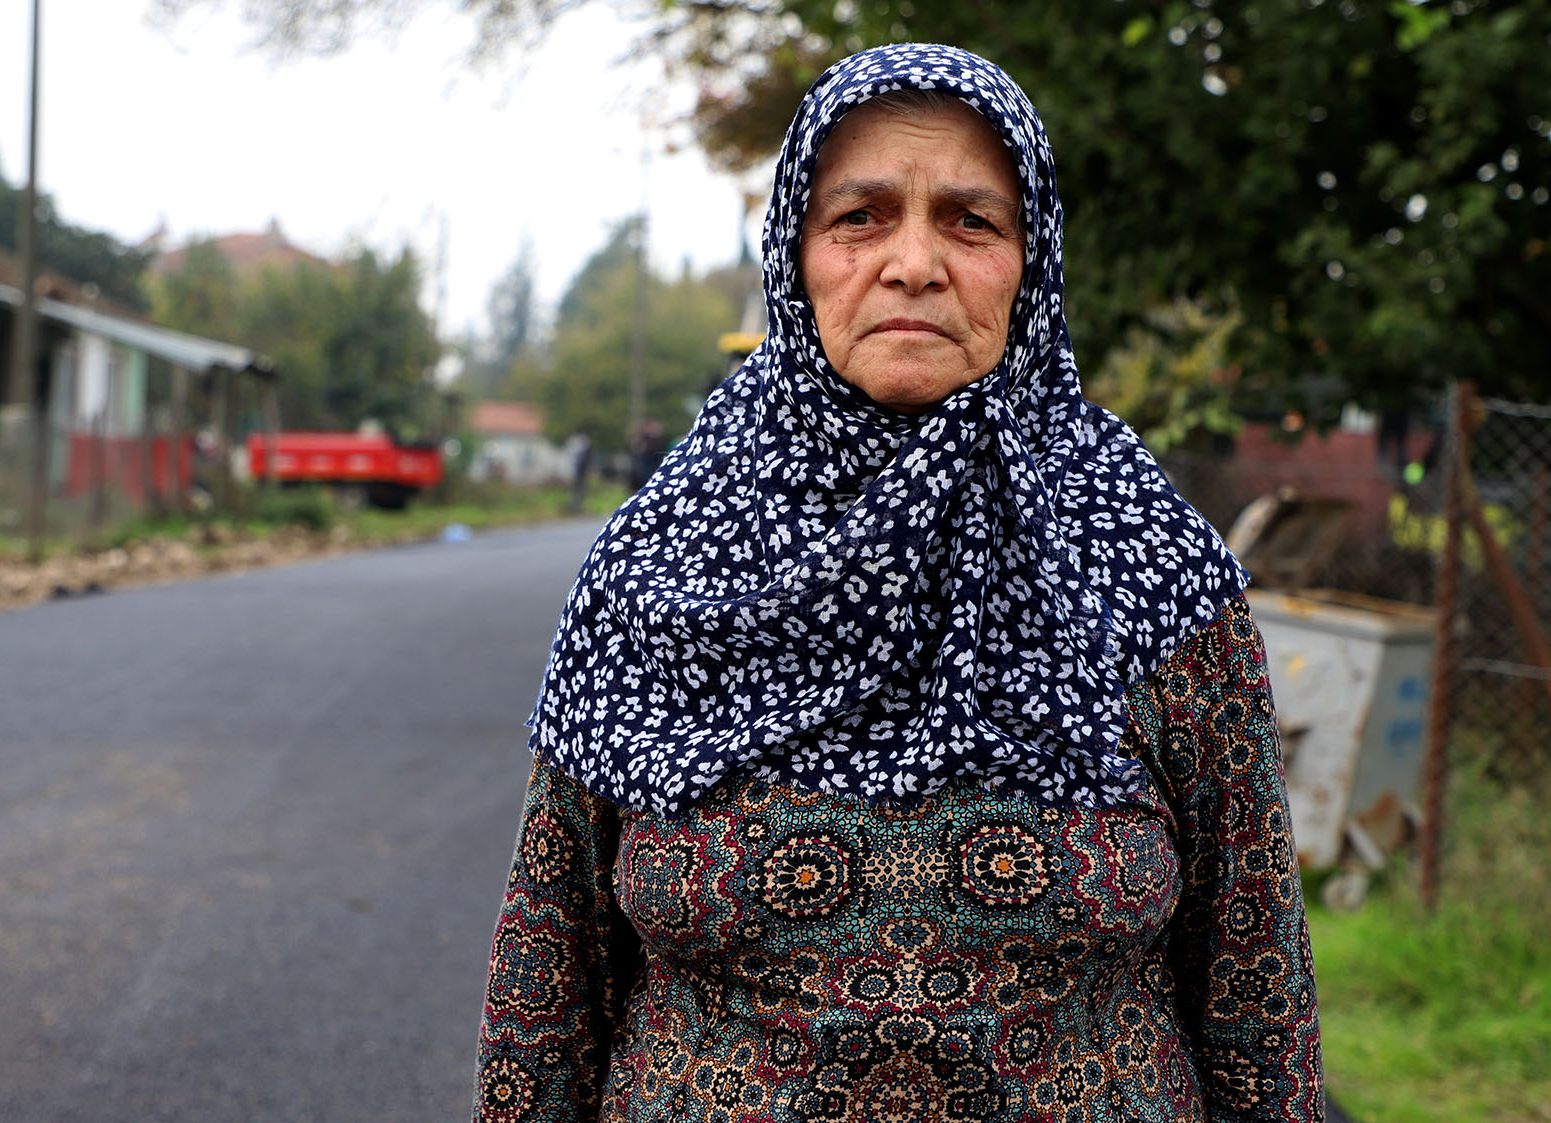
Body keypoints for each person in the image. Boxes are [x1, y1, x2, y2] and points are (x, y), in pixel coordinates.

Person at [474, 43, 1322, 1122]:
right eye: (860, 216)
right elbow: (548, 985)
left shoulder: (1150, 567)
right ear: (795, 255)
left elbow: (1256, 990)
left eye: (971, 221)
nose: (914, 262)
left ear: (1030, 265)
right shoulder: (658, 565)